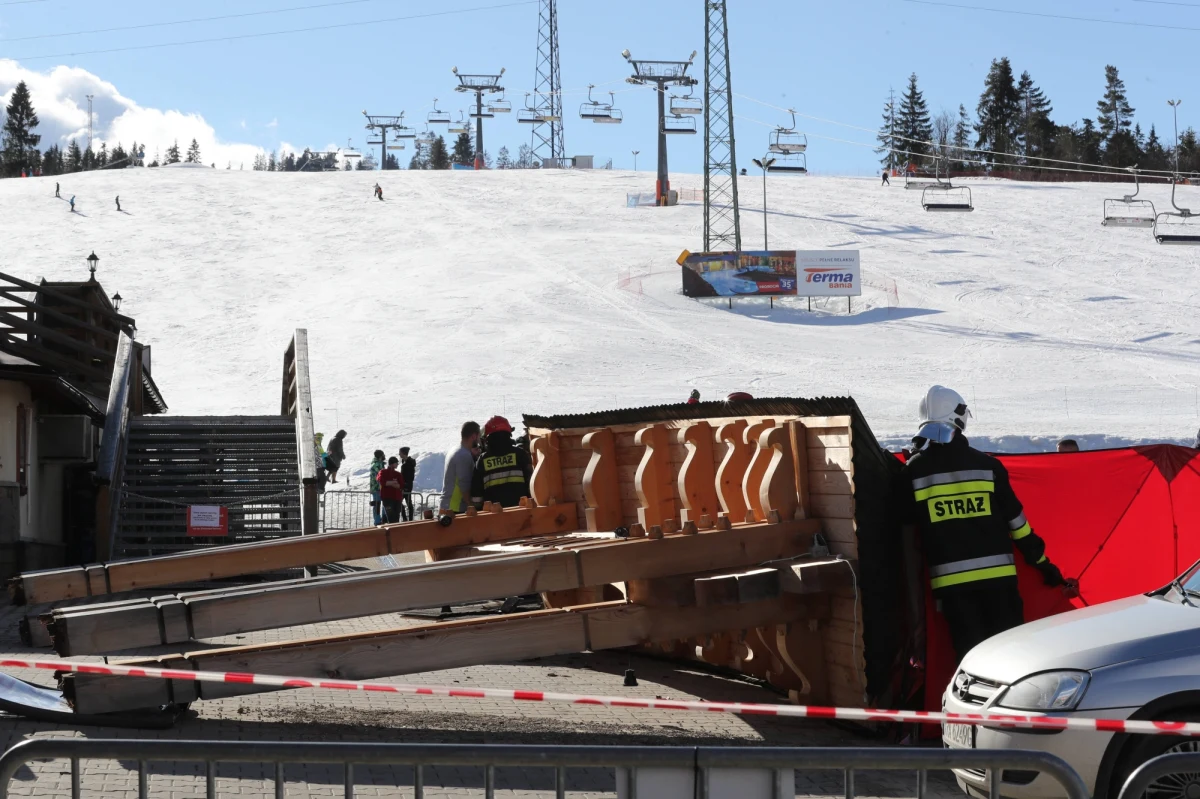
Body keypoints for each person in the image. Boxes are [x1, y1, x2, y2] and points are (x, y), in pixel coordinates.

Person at [895, 385, 1078, 664]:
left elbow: (909, 545)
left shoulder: (912, 473)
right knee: (1013, 663)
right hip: (1000, 588)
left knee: (972, 666)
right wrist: (1045, 567)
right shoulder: (988, 467)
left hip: (953, 594)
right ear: (959, 419)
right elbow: (1018, 526)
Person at [471, 416, 533, 509]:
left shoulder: (482, 460)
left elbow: (476, 497)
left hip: (493, 517)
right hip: (521, 513)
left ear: (488, 438)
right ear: (509, 433)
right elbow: (532, 484)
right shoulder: (520, 455)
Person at [440, 421, 481, 516]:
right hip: (456, 508)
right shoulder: (464, 455)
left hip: (448, 505)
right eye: (479, 436)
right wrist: (473, 508)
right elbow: (464, 485)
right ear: (474, 436)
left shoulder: (456, 450)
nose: (479, 440)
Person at [377, 456, 406, 523]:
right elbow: (382, 481)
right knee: (391, 517)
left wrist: (389, 483)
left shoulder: (398, 474)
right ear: (392, 463)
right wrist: (393, 483)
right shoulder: (383, 472)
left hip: (396, 499)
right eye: (396, 463)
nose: (397, 464)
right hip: (388, 499)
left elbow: (401, 485)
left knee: (396, 517)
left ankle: (395, 532)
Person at [368, 449, 387, 525]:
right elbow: (380, 476)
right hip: (377, 488)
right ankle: (378, 521)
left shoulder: (379, 463)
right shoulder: (377, 464)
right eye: (383, 455)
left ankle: (380, 519)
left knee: (379, 504)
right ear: (380, 456)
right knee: (377, 505)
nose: (384, 456)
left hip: (378, 488)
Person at [399, 447, 416, 522]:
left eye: (400, 452)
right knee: (408, 502)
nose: (399, 454)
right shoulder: (406, 462)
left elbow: (408, 477)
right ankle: (409, 519)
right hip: (407, 485)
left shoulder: (407, 464)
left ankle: (407, 519)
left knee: (400, 501)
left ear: (403, 453)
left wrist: (404, 485)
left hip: (406, 486)